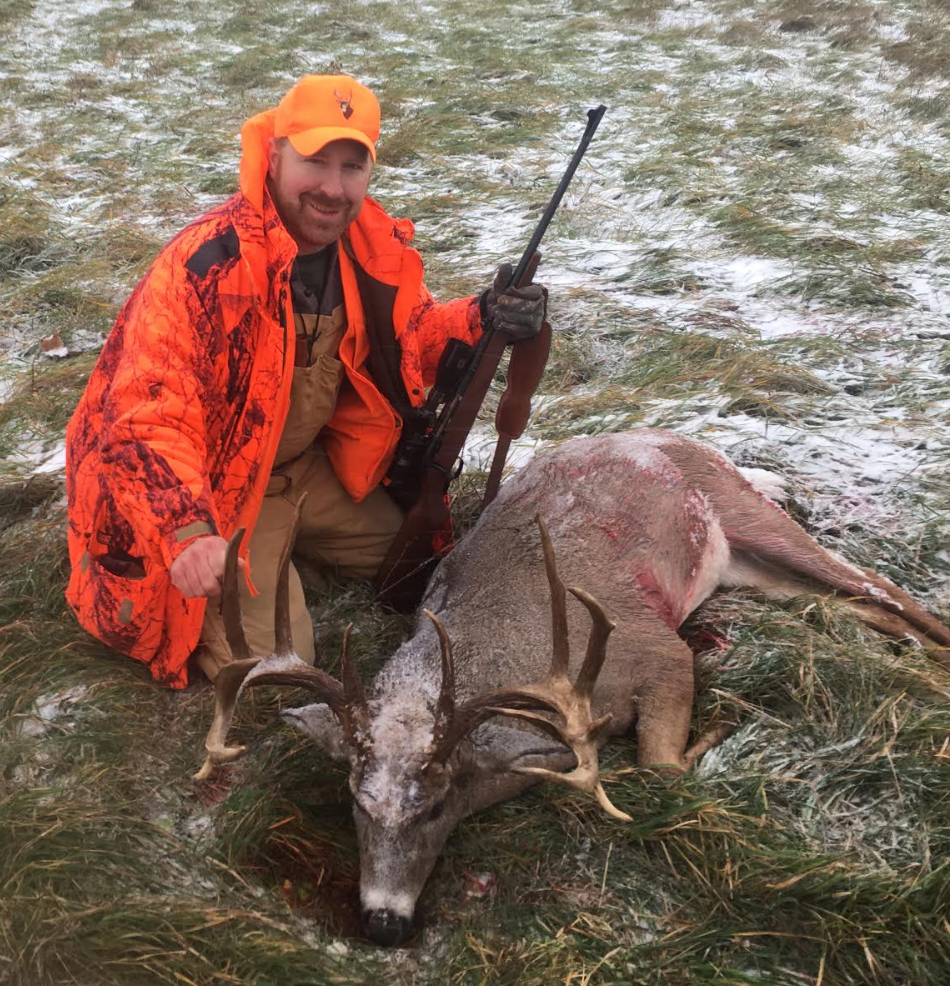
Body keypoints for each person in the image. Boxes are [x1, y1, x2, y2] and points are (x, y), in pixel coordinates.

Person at [65, 74, 546, 688]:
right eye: (314, 160)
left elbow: (414, 337)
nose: (332, 187)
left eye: (352, 166)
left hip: (306, 466)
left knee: (426, 567)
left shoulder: (368, 250)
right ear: (274, 155)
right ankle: (269, 561)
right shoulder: (207, 266)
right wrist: (185, 528)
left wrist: (484, 317)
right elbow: (144, 413)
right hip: (218, 488)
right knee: (274, 673)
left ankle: (288, 554)